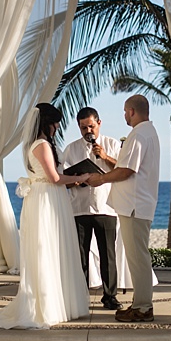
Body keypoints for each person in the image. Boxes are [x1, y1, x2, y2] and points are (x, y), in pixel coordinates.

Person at [0, 103, 91, 329]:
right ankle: (46, 307)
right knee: (46, 248)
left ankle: (62, 303)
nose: (58, 126)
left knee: (58, 247)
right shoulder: (41, 145)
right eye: (56, 122)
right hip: (47, 197)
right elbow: (55, 178)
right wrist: (82, 177)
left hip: (52, 197)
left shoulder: (42, 144)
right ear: (48, 123)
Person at [86, 95, 160, 323]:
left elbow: (127, 170)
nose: (124, 115)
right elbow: (125, 166)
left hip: (134, 205)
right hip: (137, 204)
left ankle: (144, 307)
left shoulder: (138, 135)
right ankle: (140, 303)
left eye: (125, 111)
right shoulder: (149, 133)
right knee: (137, 257)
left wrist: (100, 179)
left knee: (138, 258)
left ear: (131, 112)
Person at [63, 107, 123, 310]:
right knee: (79, 256)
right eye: (83, 128)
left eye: (91, 126)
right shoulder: (71, 149)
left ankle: (110, 296)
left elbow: (124, 171)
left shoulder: (112, 144)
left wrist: (105, 157)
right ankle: (80, 297)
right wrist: (76, 181)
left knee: (108, 256)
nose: (88, 131)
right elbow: (63, 179)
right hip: (79, 209)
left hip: (106, 207)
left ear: (99, 123)